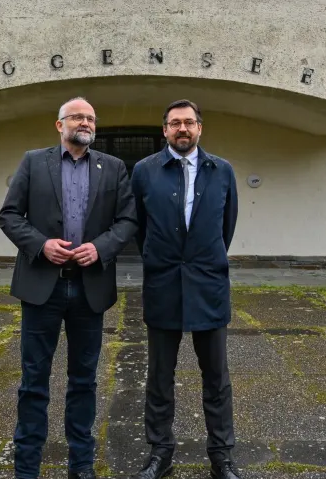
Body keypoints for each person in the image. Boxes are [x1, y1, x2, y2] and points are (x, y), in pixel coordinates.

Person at [0, 96, 138, 479]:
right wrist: (41, 245)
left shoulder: (112, 168)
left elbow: (128, 221)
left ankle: (81, 465)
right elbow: (9, 215)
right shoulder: (33, 162)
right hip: (42, 287)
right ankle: (26, 468)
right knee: (33, 381)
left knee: (84, 381)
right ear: (59, 125)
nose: (86, 123)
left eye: (91, 118)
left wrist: (102, 247)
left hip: (89, 290)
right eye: (77, 117)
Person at [128, 99, 242, 479]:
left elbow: (225, 228)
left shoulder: (222, 171)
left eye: (189, 123)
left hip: (208, 286)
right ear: (164, 130)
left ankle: (221, 456)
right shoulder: (145, 171)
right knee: (160, 376)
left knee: (217, 378)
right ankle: (160, 453)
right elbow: (141, 227)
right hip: (163, 285)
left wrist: (202, 260)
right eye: (175, 123)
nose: (182, 129)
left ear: (199, 128)